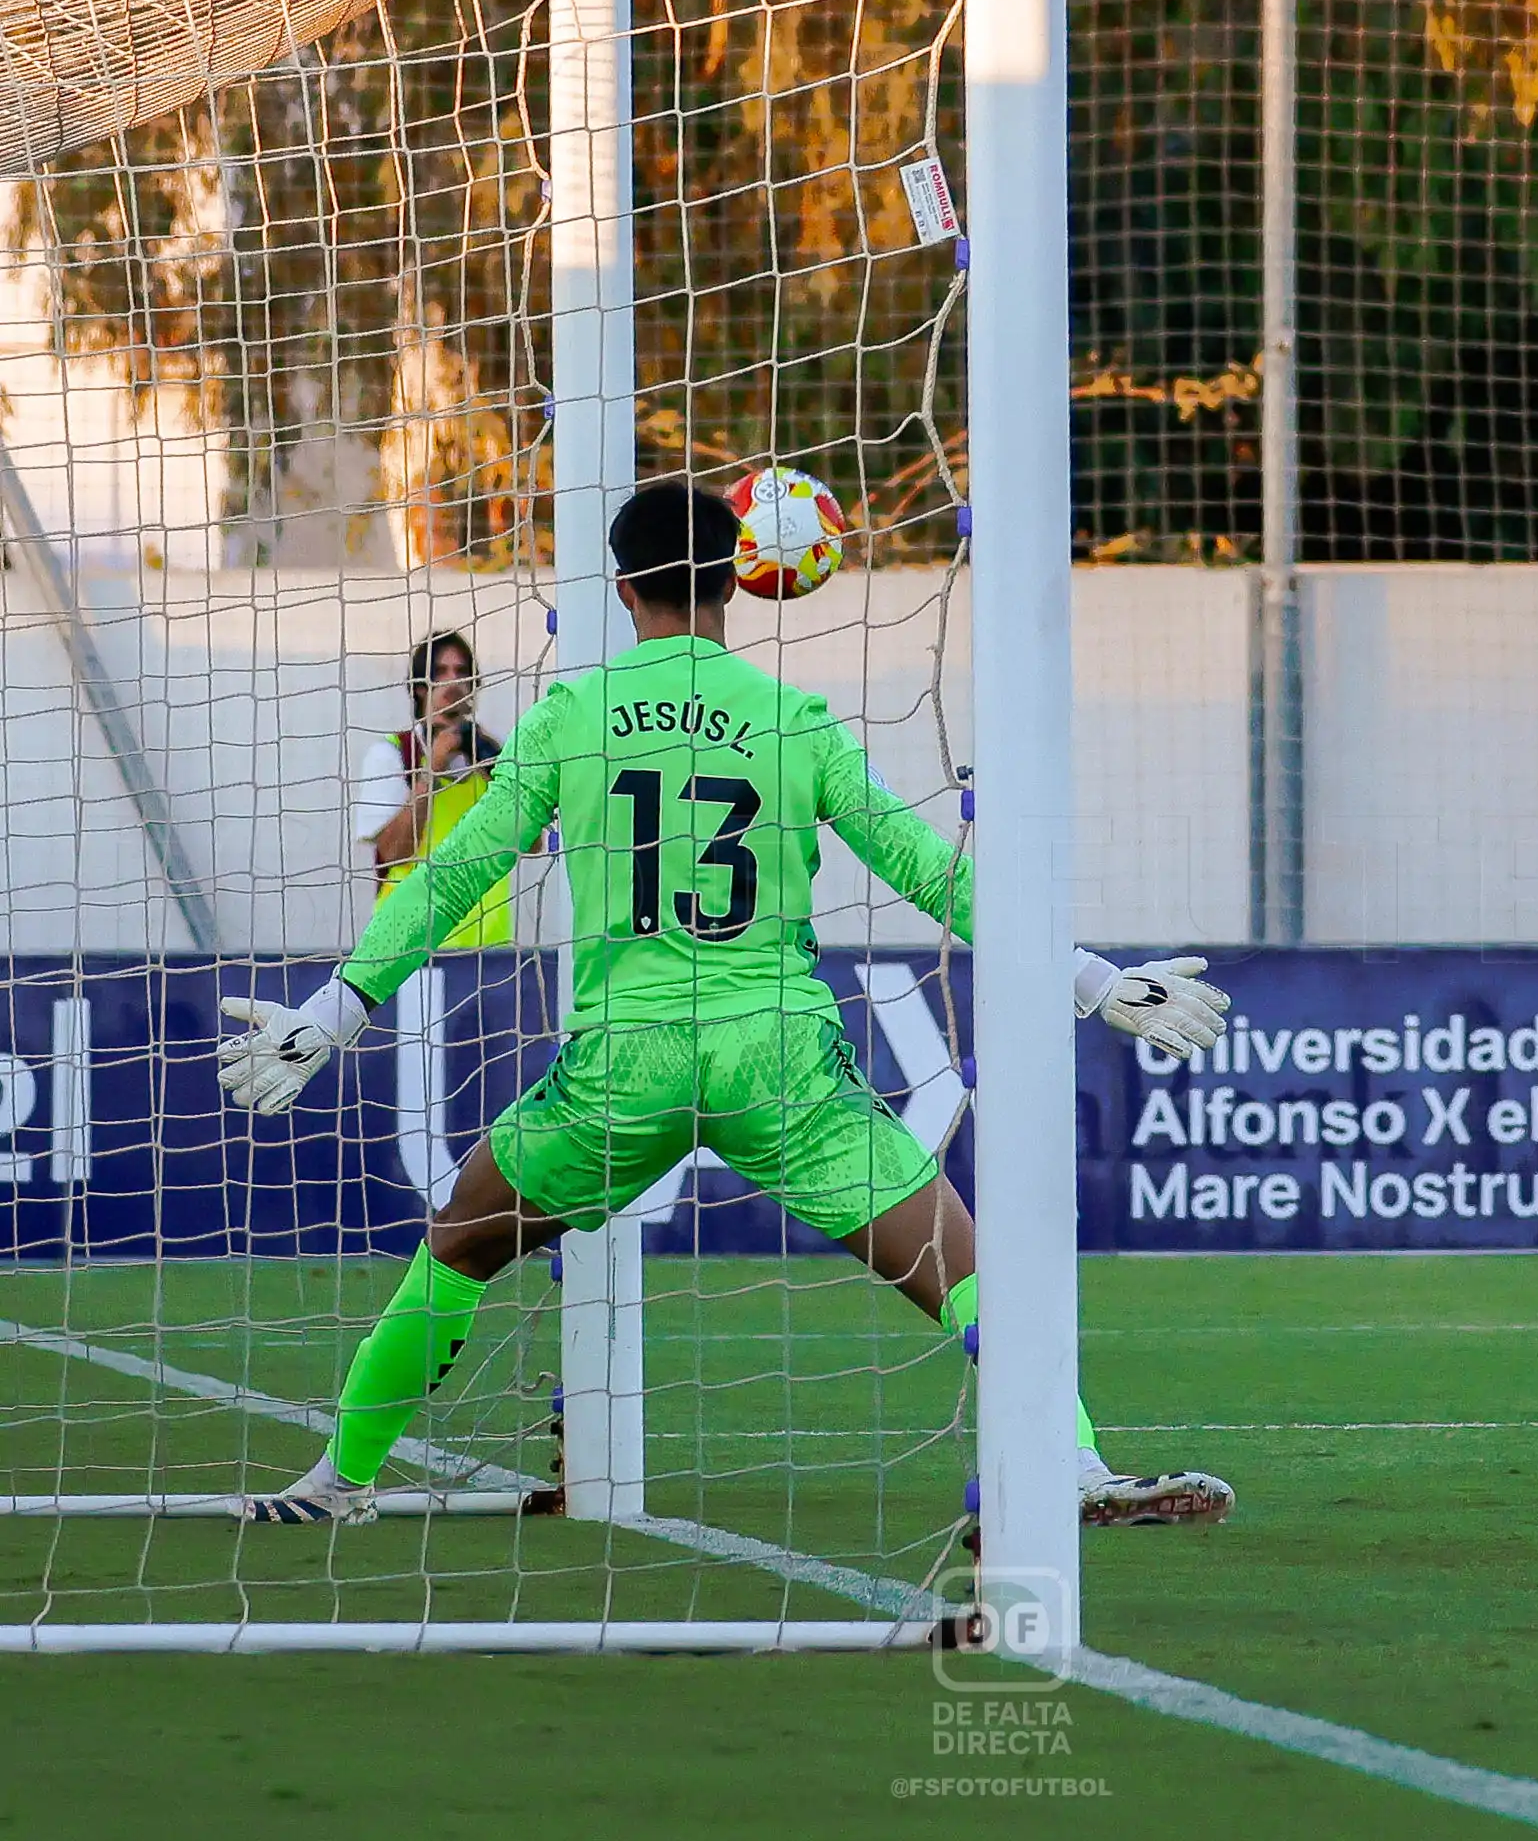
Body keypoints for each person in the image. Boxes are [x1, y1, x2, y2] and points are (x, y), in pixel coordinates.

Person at [221, 479, 1235, 1528]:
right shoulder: (791, 717)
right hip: (778, 1054)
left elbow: (450, 872)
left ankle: (341, 1478)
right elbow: (930, 869)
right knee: (955, 1261)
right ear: (736, 580)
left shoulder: (573, 712)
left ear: (622, 589)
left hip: (625, 1061)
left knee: (464, 1243)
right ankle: (1068, 1461)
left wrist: (340, 1008)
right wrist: (1092, 977)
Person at [350, 632, 511, 948]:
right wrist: (430, 770)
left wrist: (500, 771)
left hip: (488, 953)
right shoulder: (394, 754)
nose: (453, 684)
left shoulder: (491, 761)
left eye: (462, 672)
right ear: (420, 688)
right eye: (440, 672)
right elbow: (395, 851)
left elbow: (532, 844)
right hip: (407, 947)